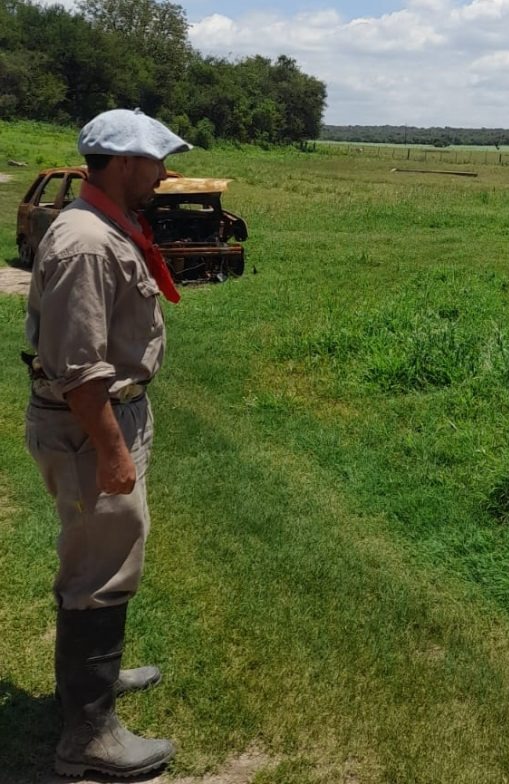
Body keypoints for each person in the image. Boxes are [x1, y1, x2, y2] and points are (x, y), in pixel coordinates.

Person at [24, 108, 191, 778]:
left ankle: (94, 685)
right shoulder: (87, 243)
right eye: (156, 161)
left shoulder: (101, 228)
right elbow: (79, 368)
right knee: (98, 572)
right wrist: (114, 450)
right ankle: (87, 737)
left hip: (105, 421)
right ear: (124, 163)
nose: (164, 173)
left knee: (104, 557)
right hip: (92, 428)